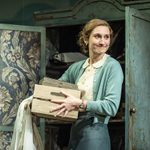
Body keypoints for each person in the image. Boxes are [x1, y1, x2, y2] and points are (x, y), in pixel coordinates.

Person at [51, 19, 124, 150]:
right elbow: (56, 87)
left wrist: (80, 103)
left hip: (95, 130)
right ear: (86, 39)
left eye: (106, 37)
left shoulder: (112, 66)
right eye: (97, 36)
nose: (103, 42)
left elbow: (111, 106)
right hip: (75, 129)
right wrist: (33, 98)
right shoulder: (77, 67)